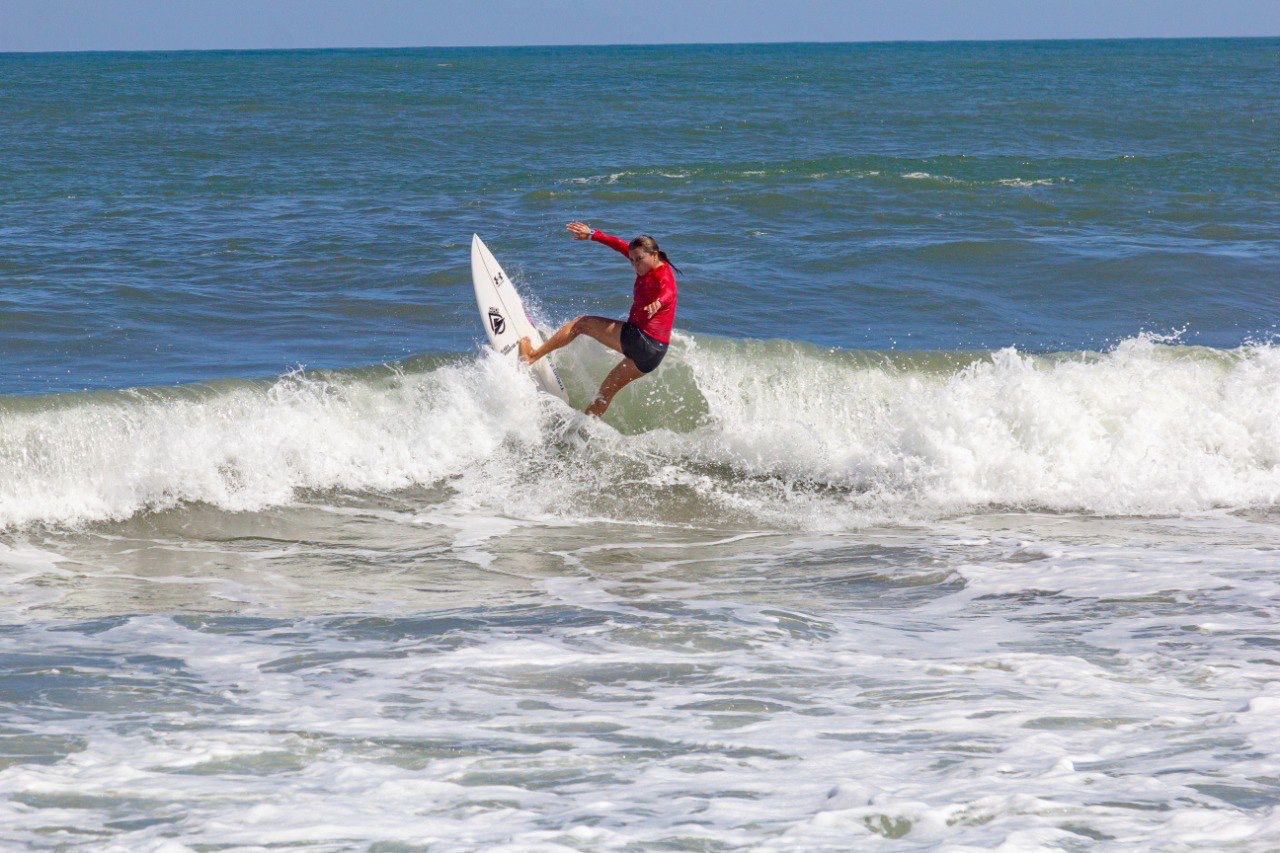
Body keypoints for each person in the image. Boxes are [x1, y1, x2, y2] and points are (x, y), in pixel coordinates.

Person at [519, 222, 678, 417]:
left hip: (642, 340)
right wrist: (592, 234)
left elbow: (669, 291)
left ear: (654, 255)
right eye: (631, 260)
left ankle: (532, 356)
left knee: (581, 324)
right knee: (606, 391)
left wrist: (659, 302)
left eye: (639, 260)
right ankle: (582, 430)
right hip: (655, 354)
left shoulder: (663, 274)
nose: (635, 265)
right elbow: (619, 244)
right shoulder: (644, 260)